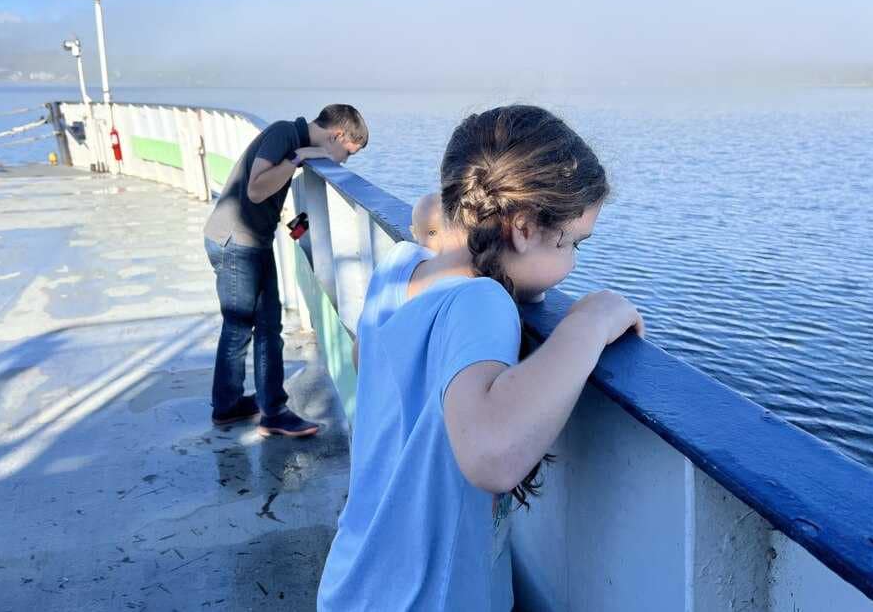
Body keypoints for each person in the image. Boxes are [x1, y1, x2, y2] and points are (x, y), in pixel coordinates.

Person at [318, 105, 643, 611]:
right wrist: (590, 321)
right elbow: (491, 455)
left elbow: (366, 356)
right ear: (523, 228)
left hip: (355, 577)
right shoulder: (481, 300)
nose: (573, 264)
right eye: (573, 244)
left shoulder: (400, 265)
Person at [204, 104, 368, 437]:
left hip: (251, 241)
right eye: (347, 153)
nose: (342, 162)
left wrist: (302, 232)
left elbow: (278, 201)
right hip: (236, 242)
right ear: (337, 136)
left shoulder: (292, 138)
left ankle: (244, 406)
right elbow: (256, 189)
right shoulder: (284, 134)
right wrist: (298, 157)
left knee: (267, 325)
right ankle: (252, 409)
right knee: (240, 328)